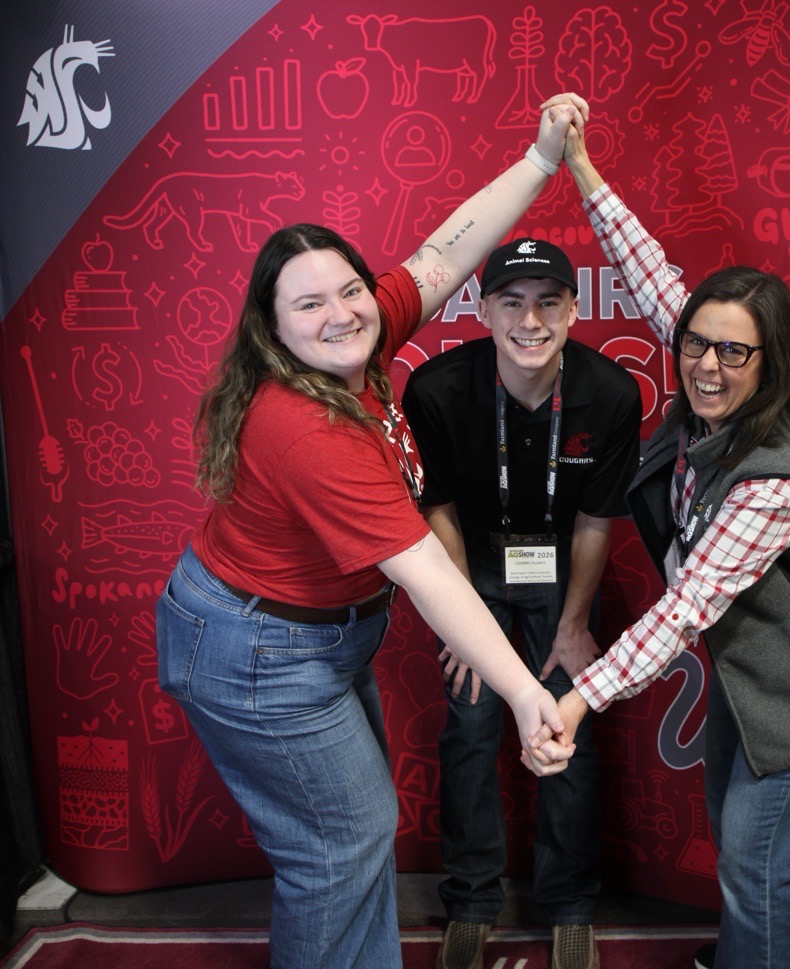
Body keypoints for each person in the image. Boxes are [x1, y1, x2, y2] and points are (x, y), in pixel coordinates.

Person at [154, 99, 587, 969]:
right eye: (309, 303)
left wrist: (542, 160)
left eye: (350, 289)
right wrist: (524, 692)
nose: (343, 312)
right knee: (337, 848)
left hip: (309, 634)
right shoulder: (306, 427)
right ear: (271, 328)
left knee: (348, 843)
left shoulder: (356, 337)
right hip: (258, 649)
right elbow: (426, 572)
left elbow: (443, 253)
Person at [531, 108, 790, 969]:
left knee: (749, 862)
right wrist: (579, 165)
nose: (706, 366)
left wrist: (577, 701)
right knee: (754, 860)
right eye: (696, 345)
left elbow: (686, 606)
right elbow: (655, 276)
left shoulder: (775, 473)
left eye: (734, 353)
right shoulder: (707, 363)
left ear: (772, 361)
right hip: (750, 655)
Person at [403, 238, 642, 969]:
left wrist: (574, 626)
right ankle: (473, 901)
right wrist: (462, 618)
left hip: (565, 569)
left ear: (575, 308)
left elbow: (597, 520)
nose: (529, 320)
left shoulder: (609, 392)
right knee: (471, 727)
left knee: (565, 732)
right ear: (483, 309)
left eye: (548, 301)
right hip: (469, 564)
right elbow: (436, 508)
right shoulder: (437, 388)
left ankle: (568, 902)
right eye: (512, 301)